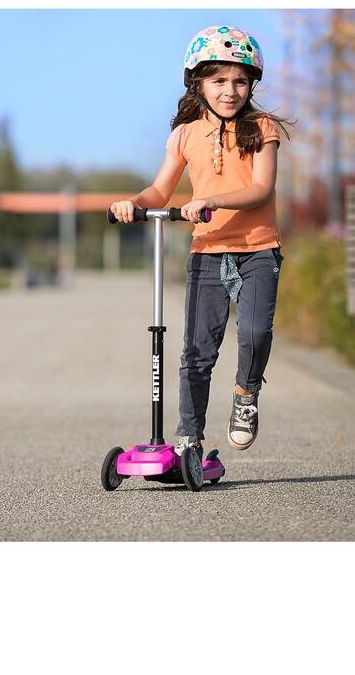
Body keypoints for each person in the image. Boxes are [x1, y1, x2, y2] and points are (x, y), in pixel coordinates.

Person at [109, 25, 294, 459]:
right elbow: (160, 191)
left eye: (239, 81)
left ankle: (246, 395)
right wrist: (132, 203)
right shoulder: (184, 135)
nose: (230, 91)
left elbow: (261, 190)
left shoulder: (262, 128)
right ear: (198, 83)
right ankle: (188, 437)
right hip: (207, 253)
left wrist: (210, 199)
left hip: (257, 250)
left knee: (253, 332)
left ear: (251, 85)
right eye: (219, 81)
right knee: (196, 352)